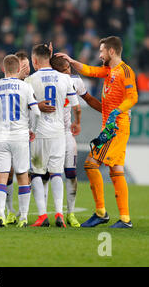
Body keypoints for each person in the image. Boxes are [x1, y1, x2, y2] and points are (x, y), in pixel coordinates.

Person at [56, 36, 138, 228]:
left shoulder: (125, 71)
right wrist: (72, 61)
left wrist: (117, 111)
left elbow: (133, 97)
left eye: (101, 51)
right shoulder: (110, 71)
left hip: (115, 127)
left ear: (111, 51)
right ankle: (125, 219)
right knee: (116, 170)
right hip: (112, 126)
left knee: (91, 164)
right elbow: (91, 71)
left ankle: (101, 212)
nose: (99, 55)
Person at [25, 44, 80, 228]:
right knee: (57, 173)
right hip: (59, 132)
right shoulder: (64, 78)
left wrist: (37, 106)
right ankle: (59, 213)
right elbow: (74, 104)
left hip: (39, 132)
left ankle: (42, 216)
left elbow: (22, 106)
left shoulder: (31, 80)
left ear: (34, 61)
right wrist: (76, 122)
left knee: (37, 174)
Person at [0, 54, 41, 228]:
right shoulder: (25, 87)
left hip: (0, 137)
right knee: (23, 176)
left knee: (2, 177)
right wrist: (32, 129)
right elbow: (37, 112)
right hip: (20, 137)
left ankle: (1, 215)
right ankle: (24, 217)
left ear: (3, 69)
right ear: (18, 69)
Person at [50, 55, 102, 227]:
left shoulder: (75, 81)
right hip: (49, 133)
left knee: (71, 173)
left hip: (66, 134)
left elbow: (88, 99)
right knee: (42, 174)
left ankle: (70, 214)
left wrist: (106, 111)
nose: (69, 72)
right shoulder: (50, 81)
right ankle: (41, 214)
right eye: (66, 69)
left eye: (69, 69)